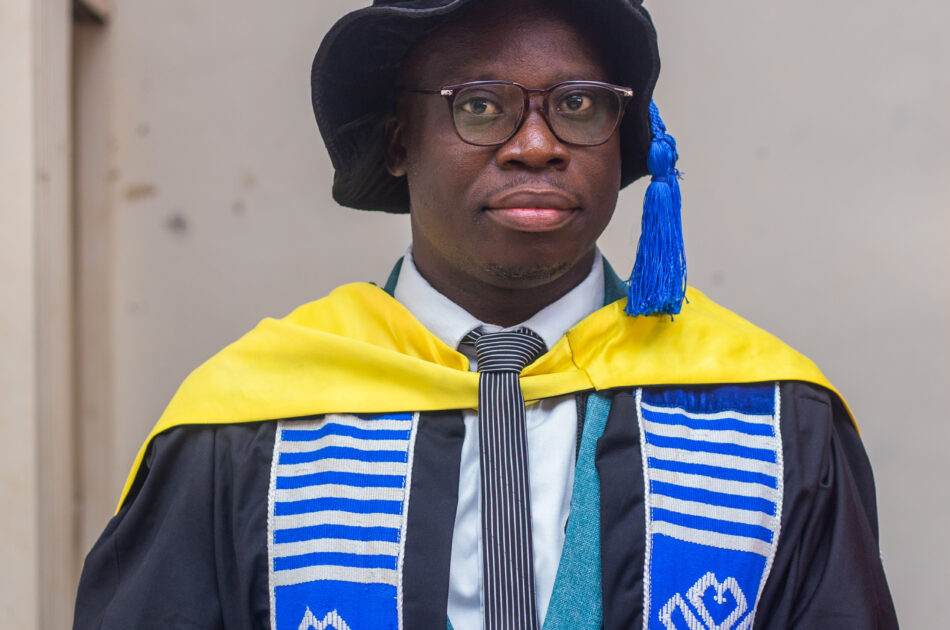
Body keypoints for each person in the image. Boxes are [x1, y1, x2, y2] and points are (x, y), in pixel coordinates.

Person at [73, 1, 899, 628]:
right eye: (479, 105)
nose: (537, 144)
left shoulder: (766, 413)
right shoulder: (246, 425)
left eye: (579, 105)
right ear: (399, 141)